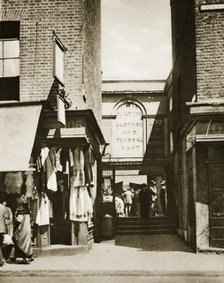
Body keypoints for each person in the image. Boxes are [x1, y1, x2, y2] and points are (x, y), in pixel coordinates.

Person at [11, 194, 33, 264]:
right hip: (27, 230)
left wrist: (13, 224)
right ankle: (27, 256)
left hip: (22, 230)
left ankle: (22, 257)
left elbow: (18, 220)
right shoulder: (27, 212)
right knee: (26, 243)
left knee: (19, 242)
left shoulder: (20, 212)